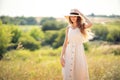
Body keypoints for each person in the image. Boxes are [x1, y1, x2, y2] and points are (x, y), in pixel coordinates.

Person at [60, 9, 93, 80]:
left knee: (79, 71)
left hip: (79, 51)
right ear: (70, 18)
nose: (73, 18)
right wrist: (61, 56)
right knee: (68, 72)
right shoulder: (68, 28)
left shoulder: (82, 26)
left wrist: (81, 14)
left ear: (78, 17)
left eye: (75, 16)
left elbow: (90, 23)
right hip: (68, 52)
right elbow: (65, 43)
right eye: (72, 16)